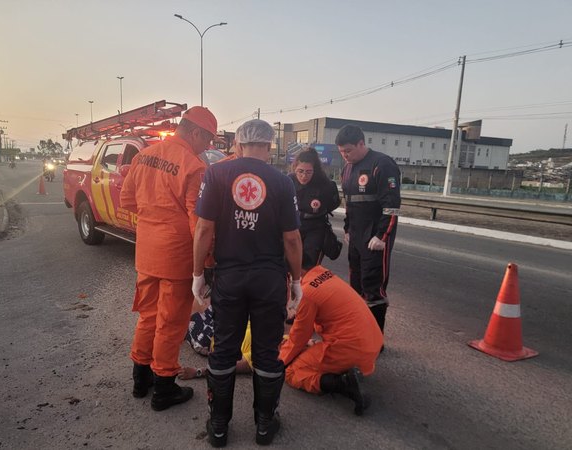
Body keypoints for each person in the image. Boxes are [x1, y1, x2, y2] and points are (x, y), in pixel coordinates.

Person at [192, 119, 303, 447]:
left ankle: (219, 426)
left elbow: (202, 230)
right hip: (269, 280)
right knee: (268, 352)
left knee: (224, 350)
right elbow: (293, 238)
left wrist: (198, 274)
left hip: (230, 278)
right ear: (269, 146)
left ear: (237, 145)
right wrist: (297, 281)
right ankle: (265, 425)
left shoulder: (216, 174)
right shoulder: (282, 182)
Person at [119, 106, 218, 412]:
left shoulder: (143, 155)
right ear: (196, 132)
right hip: (176, 256)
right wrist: (207, 263)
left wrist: (154, 222)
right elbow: (197, 223)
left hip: (146, 253)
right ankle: (163, 388)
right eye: (209, 140)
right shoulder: (193, 165)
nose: (209, 147)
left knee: (148, 315)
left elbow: (127, 200)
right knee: (171, 323)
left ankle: (141, 379)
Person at [279, 264, 382, 415]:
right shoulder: (323, 274)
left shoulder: (307, 293)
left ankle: (343, 384)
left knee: (292, 371)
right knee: (306, 350)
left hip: (353, 349)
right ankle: (346, 370)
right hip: (372, 342)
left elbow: (298, 339)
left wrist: (278, 363)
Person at [337, 124, 401, 335]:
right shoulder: (347, 169)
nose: (345, 155)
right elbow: (350, 203)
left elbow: (391, 205)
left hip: (375, 238)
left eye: (348, 150)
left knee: (373, 287)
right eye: (341, 152)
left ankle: (375, 340)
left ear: (361, 144)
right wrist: (347, 228)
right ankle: (358, 334)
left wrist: (382, 236)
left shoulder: (381, 164)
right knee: (356, 286)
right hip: (356, 236)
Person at [290, 147, 341, 269]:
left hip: (315, 228)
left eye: (308, 172)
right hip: (293, 227)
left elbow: (333, 203)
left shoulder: (325, 184)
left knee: (308, 267)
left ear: (315, 170)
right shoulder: (288, 181)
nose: (304, 176)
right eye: (300, 171)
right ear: (294, 168)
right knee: (289, 265)